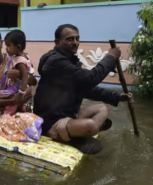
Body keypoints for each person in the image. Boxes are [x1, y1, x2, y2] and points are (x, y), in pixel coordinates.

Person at [33, 24, 132, 154]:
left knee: (103, 108)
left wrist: (116, 97)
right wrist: (110, 57)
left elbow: (86, 88)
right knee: (91, 126)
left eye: (77, 38)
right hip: (50, 122)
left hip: (67, 115)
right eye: (70, 39)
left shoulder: (70, 61)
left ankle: (76, 132)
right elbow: (90, 78)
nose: (75, 42)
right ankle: (71, 135)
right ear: (57, 42)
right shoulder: (56, 62)